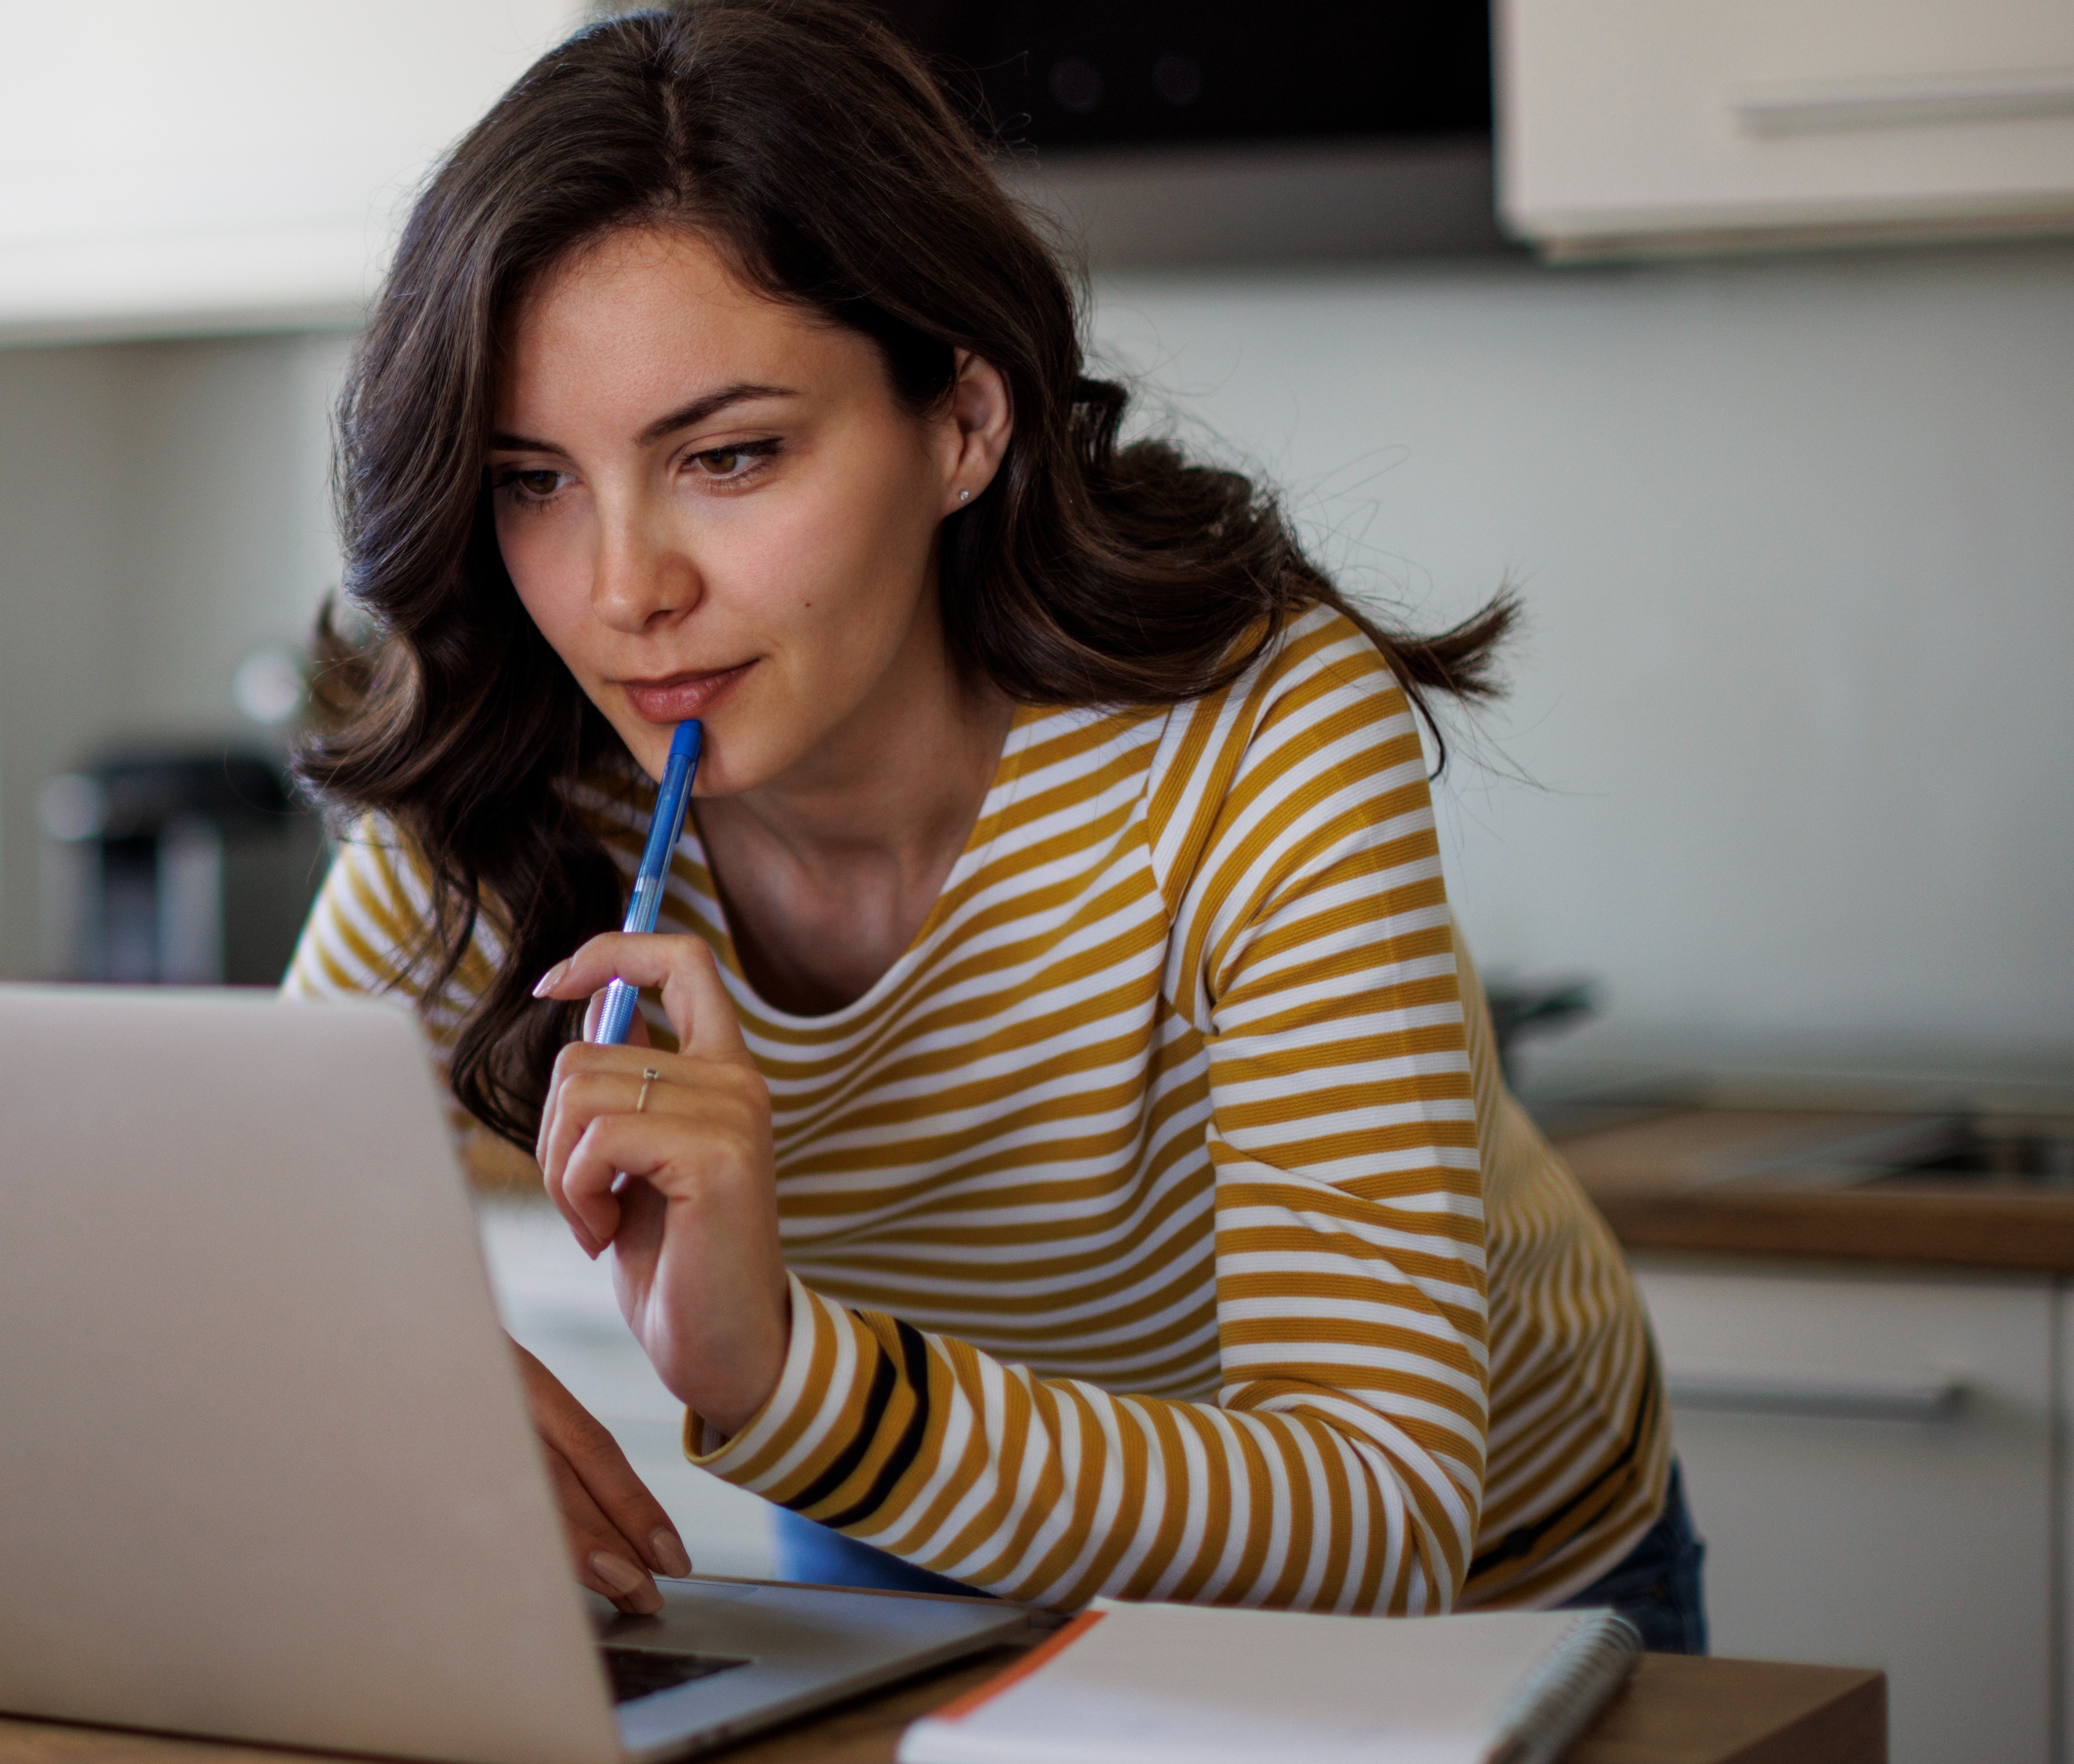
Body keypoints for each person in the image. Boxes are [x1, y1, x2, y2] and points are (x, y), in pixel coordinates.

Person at [280, 0, 1701, 1651]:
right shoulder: (518, 752)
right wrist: (394, 1376)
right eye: (534, 480)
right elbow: (238, 1231)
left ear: (962, 419)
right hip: (923, 1546)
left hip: (1474, 1601)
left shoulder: (1255, 730)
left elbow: (1380, 1506)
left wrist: (792, 1381)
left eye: (730, 456)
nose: (623, 596)